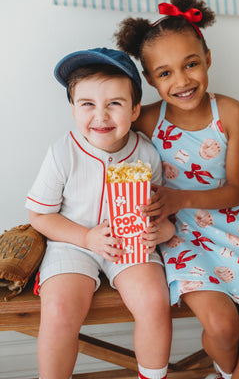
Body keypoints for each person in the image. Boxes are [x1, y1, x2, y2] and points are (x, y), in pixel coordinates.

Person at [114, 0, 239, 379]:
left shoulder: (230, 112)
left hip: (232, 229)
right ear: (149, 80)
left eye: (191, 64)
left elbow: (237, 191)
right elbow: (111, 160)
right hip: (180, 236)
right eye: (164, 73)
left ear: (207, 58)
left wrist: (181, 197)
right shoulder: (145, 120)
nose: (181, 81)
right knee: (223, 328)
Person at [26, 48, 175, 379]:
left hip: (131, 245)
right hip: (73, 243)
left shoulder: (147, 153)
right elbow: (40, 216)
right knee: (60, 309)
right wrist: (85, 237)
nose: (101, 115)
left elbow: (163, 216)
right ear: (73, 108)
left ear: (135, 109)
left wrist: (162, 232)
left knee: (154, 301)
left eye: (115, 104)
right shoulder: (62, 152)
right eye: (88, 104)